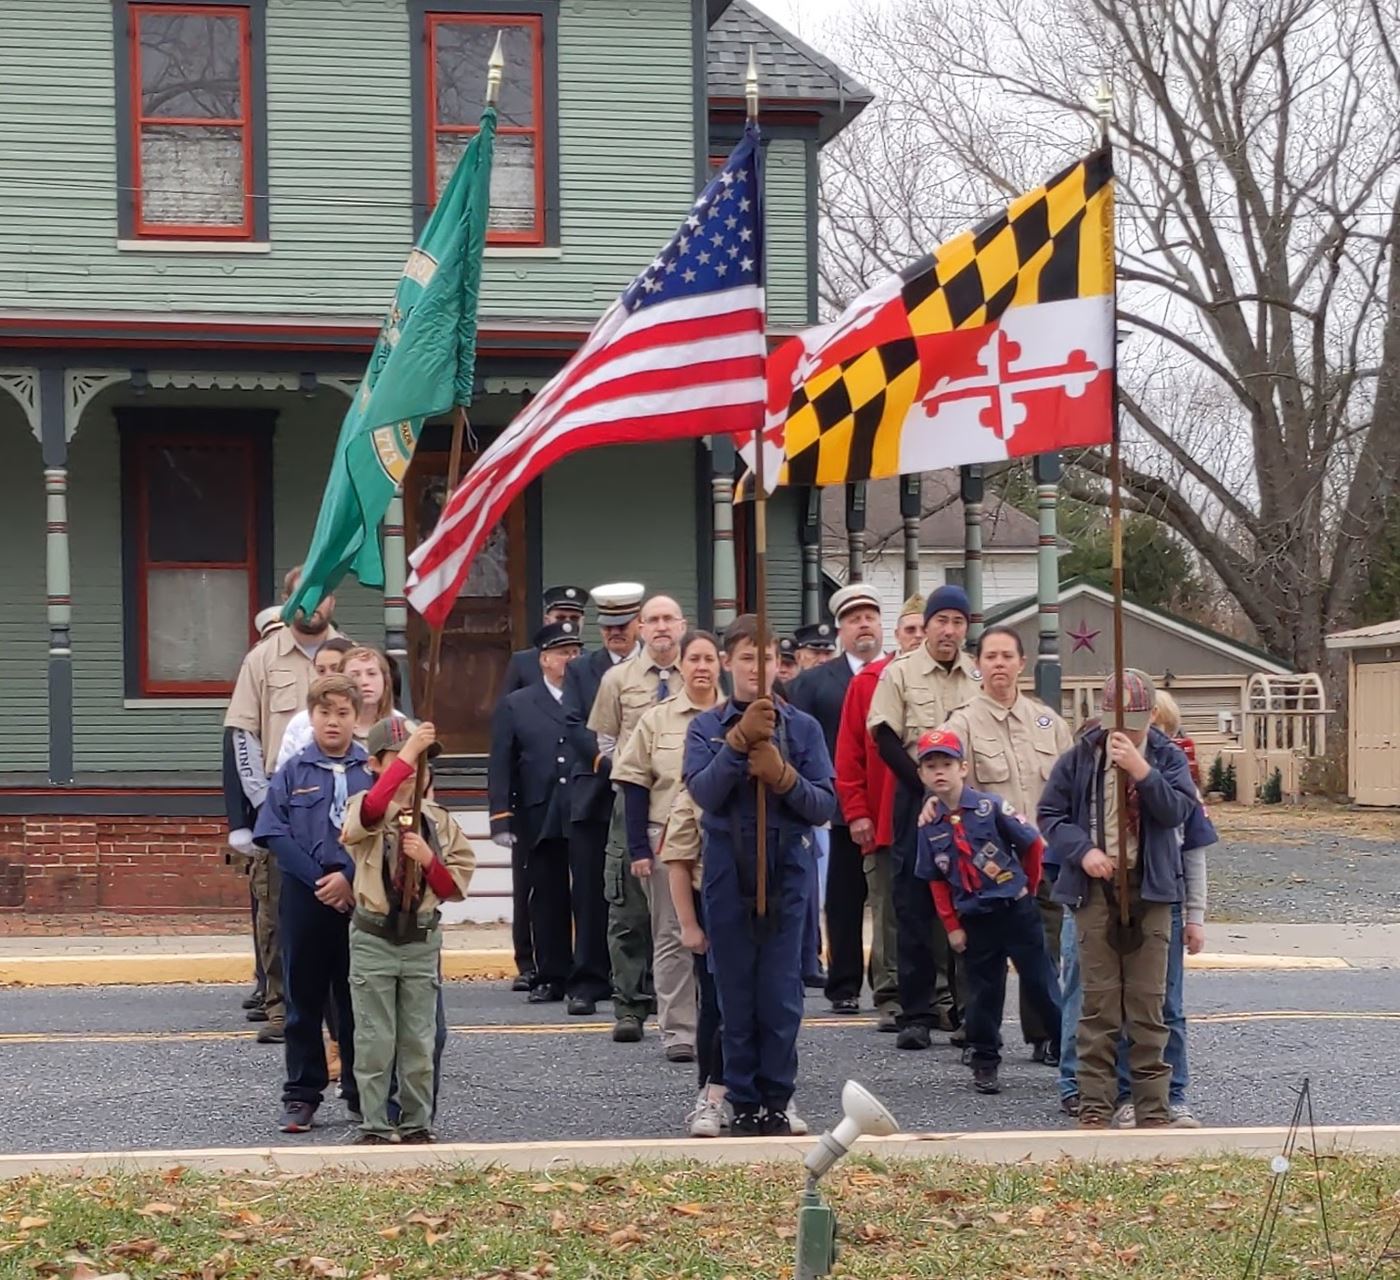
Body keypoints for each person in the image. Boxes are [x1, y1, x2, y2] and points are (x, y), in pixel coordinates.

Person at [683, 614, 835, 1136]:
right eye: (747, 657)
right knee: (734, 994)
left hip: (788, 868)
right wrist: (736, 745)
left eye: (767, 657)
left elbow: (822, 805)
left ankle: (778, 1096)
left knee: (780, 994)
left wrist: (784, 775)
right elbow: (703, 793)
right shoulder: (705, 727)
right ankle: (741, 1098)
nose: (757, 668)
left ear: (780, 665)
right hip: (729, 869)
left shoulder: (805, 729)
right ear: (728, 663)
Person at [1038, 668, 1198, 1130]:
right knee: (1099, 1004)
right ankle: (1093, 1105)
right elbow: (1050, 813)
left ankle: (1153, 1109)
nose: (1122, 734)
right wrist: (1083, 850)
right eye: (1115, 724)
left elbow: (1177, 811)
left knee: (1149, 1006)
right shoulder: (1080, 758)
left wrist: (1141, 772)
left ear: (1150, 718)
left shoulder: (1167, 758)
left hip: (1151, 889)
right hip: (1095, 891)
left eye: (1132, 724)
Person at [340, 717, 475, 1144]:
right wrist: (411, 748)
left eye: (421, 761)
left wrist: (428, 860)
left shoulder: (438, 821)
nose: (413, 767)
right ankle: (376, 1123)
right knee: (375, 1040)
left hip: (419, 940)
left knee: (419, 1040)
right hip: (374, 937)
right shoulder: (365, 806)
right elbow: (372, 811)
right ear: (375, 764)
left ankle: (417, 1122)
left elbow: (454, 888)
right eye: (399, 758)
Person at [943, 625, 1073, 1063]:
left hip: (1044, 854)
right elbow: (946, 788)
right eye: (990, 657)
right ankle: (980, 1039)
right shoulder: (961, 723)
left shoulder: (1048, 722)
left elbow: (1069, 788)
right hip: (988, 864)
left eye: (1007, 656)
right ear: (978, 667)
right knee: (984, 959)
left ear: (1022, 663)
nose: (999, 664)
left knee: (1045, 948)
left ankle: (1045, 1036)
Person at [225, 566, 339, 1045]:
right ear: (289, 601)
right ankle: (279, 1006)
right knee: (275, 911)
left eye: (321, 596)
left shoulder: (348, 655)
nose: (313, 606)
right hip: (280, 801)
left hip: (339, 800)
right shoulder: (263, 658)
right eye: (303, 596)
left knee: (340, 907)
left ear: (333, 602)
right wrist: (260, 803)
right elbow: (244, 734)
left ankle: (339, 1010)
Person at [914, 728, 1061, 1095]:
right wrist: (952, 926)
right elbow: (935, 880)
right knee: (982, 993)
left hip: (1015, 909)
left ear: (963, 767)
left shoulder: (990, 806)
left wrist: (1027, 883)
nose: (940, 773)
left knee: (1041, 981)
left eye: (947, 764)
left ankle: (1067, 1046)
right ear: (922, 775)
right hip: (974, 918)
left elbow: (1032, 845)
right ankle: (984, 1060)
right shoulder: (928, 826)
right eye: (931, 766)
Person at [253, 674, 370, 1133]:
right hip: (306, 896)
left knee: (356, 997)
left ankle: (363, 1089)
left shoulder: (370, 771)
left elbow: (385, 834)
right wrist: (321, 879)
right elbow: (273, 831)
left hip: (358, 896)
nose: (333, 722)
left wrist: (348, 878)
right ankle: (302, 1093)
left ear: (356, 718)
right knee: (303, 997)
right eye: (324, 713)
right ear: (312, 717)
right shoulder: (293, 772)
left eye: (342, 713)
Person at [867, 584, 981, 1049]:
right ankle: (916, 1012)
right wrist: (926, 784)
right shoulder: (901, 672)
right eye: (941, 621)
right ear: (927, 624)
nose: (949, 630)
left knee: (970, 903)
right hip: (915, 798)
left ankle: (969, 1011)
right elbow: (884, 736)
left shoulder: (976, 675)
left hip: (966, 803)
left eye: (958, 622)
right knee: (913, 907)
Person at [611, 629, 719, 1061]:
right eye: (694, 660)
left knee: (722, 934)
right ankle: (679, 1031)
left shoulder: (737, 716)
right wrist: (638, 847)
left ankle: (721, 1023)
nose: (702, 668)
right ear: (681, 666)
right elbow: (634, 783)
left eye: (709, 659)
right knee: (673, 935)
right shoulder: (658, 718)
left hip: (723, 841)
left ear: (721, 665)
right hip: (666, 840)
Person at [587, 594, 688, 1045]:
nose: (662, 627)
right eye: (653, 620)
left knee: (684, 907)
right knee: (627, 908)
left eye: (669, 618)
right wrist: (634, 775)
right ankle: (629, 1006)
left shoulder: (699, 673)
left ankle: (686, 1008)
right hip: (632, 802)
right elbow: (606, 740)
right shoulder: (617, 679)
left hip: (686, 804)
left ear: (682, 625)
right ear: (640, 629)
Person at [786, 584, 885, 1016]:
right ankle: (843, 983)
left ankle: (891, 985)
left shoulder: (898, 673)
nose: (863, 624)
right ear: (842, 629)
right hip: (839, 806)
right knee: (844, 902)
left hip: (889, 805)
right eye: (853, 618)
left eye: (870, 616)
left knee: (893, 905)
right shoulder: (812, 683)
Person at [560, 582, 645, 1014]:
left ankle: (640, 981)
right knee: (593, 891)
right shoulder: (582, 670)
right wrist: (608, 764)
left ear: (639, 623)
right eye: (608, 625)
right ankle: (589, 980)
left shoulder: (656, 669)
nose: (615, 633)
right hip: (597, 791)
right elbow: (575, 724)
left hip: (650, 795)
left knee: (646, 891)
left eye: (623, 624)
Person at [488, 622, 583, 1003]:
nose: (571, 659)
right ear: (544, 660)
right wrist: (500, 816)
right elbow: (501, 762)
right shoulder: (518, 703)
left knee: (590, 896)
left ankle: (592, 971)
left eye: (576, 652)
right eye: (563, 653)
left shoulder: (591, 696)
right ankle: (551, 973)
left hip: (583, 808)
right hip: (538, 812)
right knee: (545, 897)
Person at [834, 645, 902, 1034]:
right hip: (883, 814)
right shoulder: (868, 682)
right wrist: (857, 810)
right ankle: (891, 995)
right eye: (908, 630)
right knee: (887, 910)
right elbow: (850, 753)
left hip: (944, 818)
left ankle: (943, 997)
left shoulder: (965, 677)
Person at [273, 638, 358, 769]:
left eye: (335, 668)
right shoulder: (301, 722)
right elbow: (284, 773)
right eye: (321, 671)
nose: (328, 676)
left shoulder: (385, 717)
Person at [501, 586, 590, 695]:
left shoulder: (593, 663)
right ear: (547, 620)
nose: (567, 623)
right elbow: (507, 707)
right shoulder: (522, 662)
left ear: (582, 622)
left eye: (574, 618)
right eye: (560, 618)